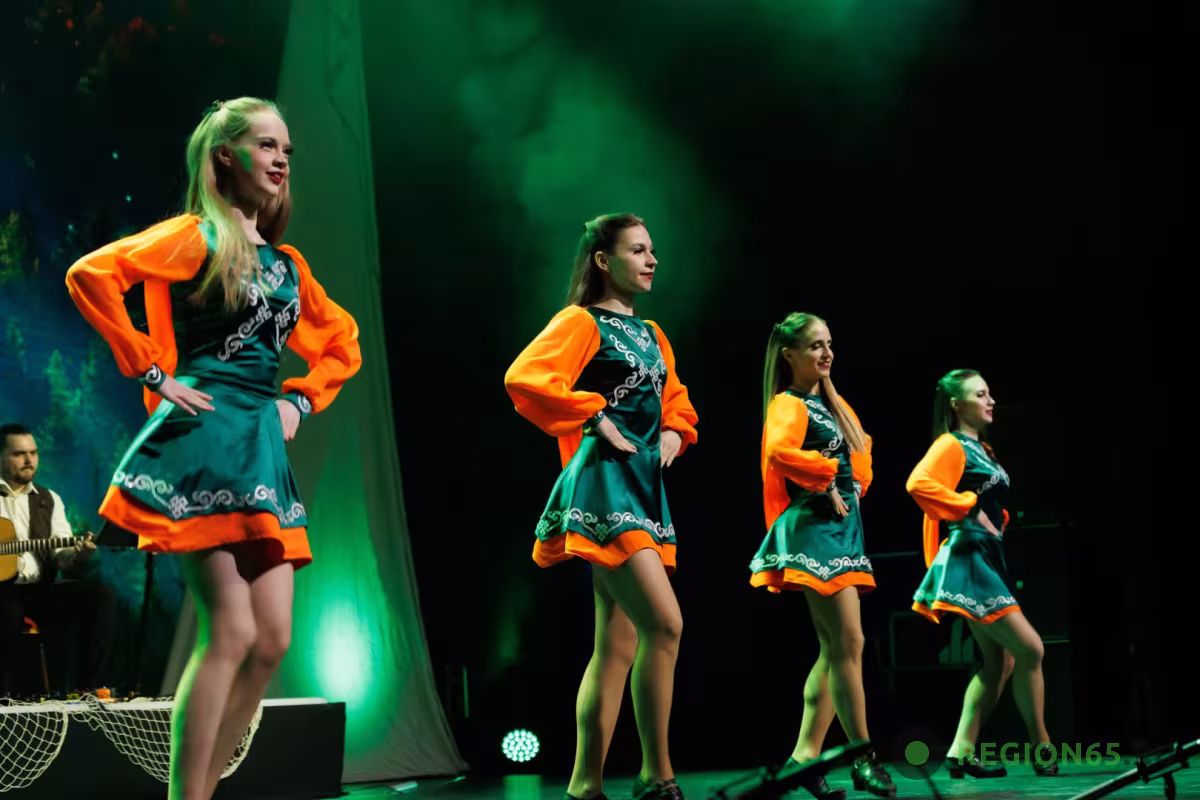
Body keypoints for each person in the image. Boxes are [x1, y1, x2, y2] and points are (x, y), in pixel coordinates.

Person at [65, 96, 361, 800]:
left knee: (272, 640)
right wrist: (151, 370)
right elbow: (91, 275)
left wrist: (299, 399)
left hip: (259, 443)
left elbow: (341, 341)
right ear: (225, 155)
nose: (282, 159)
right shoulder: (196, 237)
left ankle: (203, 792)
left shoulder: (287, 265)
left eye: (287, 149)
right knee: (229, 630)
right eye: (266, 145)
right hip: (202, 436)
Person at [504, 213, 698, 800]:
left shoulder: (653, 333)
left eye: (652, 250)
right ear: (603, 260)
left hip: (642, 487)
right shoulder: (581, 321)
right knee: (665, 625)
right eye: (637, 250)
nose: (651, 260)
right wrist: (593, 415)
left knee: (616, 646)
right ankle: (655, 774)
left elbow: (674, 398)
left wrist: (675, 431)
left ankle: (584, 785)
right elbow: (526, 376)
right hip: (605, 486)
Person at [748, 312, 895, 799]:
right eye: (815, 345)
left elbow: (861, 454)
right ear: (789, 354)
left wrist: (851, 483)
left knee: (835, 649)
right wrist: (825, 477)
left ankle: (804, 759)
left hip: (842, 529)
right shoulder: (788, 403)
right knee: (848, 641)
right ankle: (863, 756)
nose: (827, 353)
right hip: (814, 528)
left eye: (829, 343)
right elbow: (779, 452)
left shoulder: (832, 403)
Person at [906, 369, 1056, 777]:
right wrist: (966, 504)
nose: (991, 401)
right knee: (1031, 649)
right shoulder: (950, 444)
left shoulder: (982, 449)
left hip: (987, 555)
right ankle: (1042, 746)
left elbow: (983, 500)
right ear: (957, 404)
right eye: (981, 394)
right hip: (969, 557)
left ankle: (961, 750)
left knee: (999, 662)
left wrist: (994, 515)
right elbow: (918, 484)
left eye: (990, 393)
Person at [0, 423, 116, 696]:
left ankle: (90, 689)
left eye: (33, 453)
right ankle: (6, 698)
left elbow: (60, 556)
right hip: (3, 592)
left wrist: (77, 555)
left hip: (41, 590)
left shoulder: (49, 499)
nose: (29, 460)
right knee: (7, 607)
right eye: (19, 454)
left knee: (101, 594)